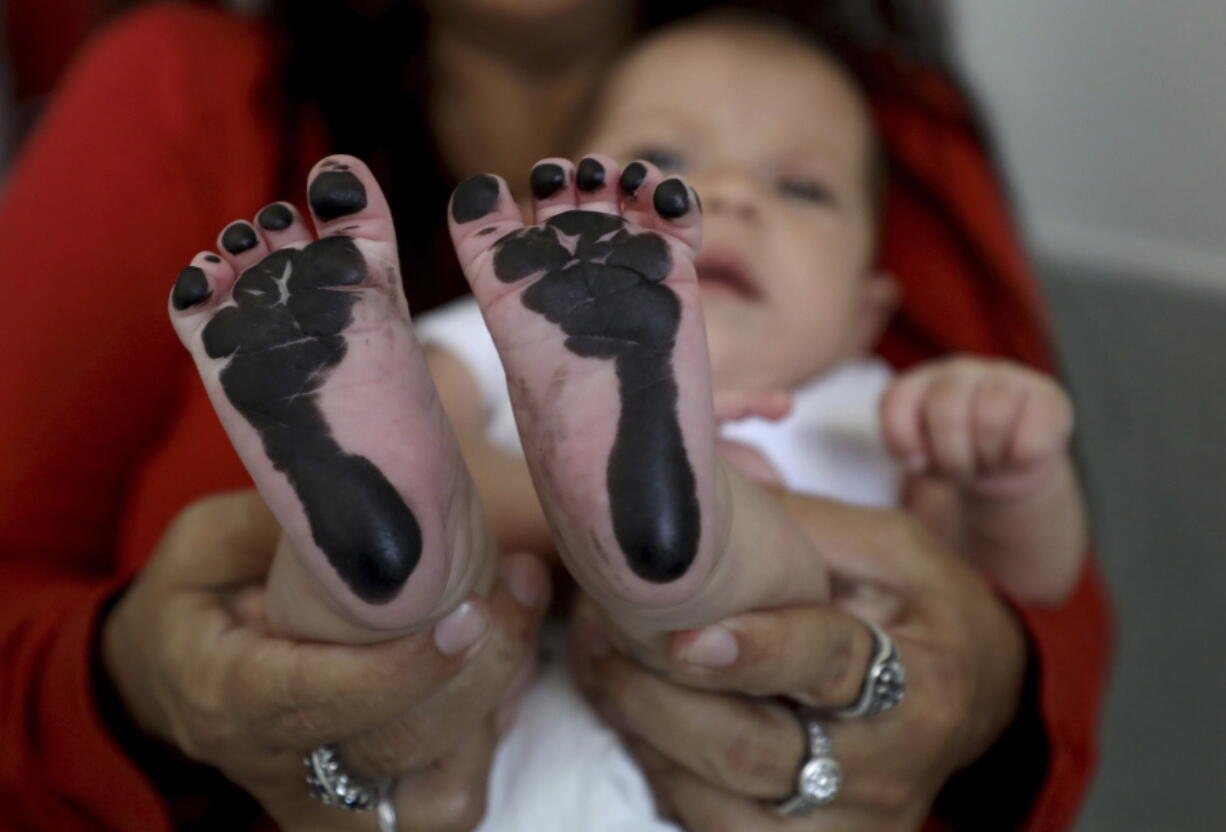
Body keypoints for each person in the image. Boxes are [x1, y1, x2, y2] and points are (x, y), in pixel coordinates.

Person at [0, 2, 1110, 830]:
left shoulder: (873, 395)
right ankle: (419, 536)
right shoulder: (524, 313)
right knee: (354, 577)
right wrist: (531, 494)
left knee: (771, 550)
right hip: (463, 730)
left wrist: (1009, 470)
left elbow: (1025, 596)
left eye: (803, 191)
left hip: (668, 718)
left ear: (878, 294)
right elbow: (429, 402)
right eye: (667, 169)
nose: (729, 196)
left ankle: (644, 524)